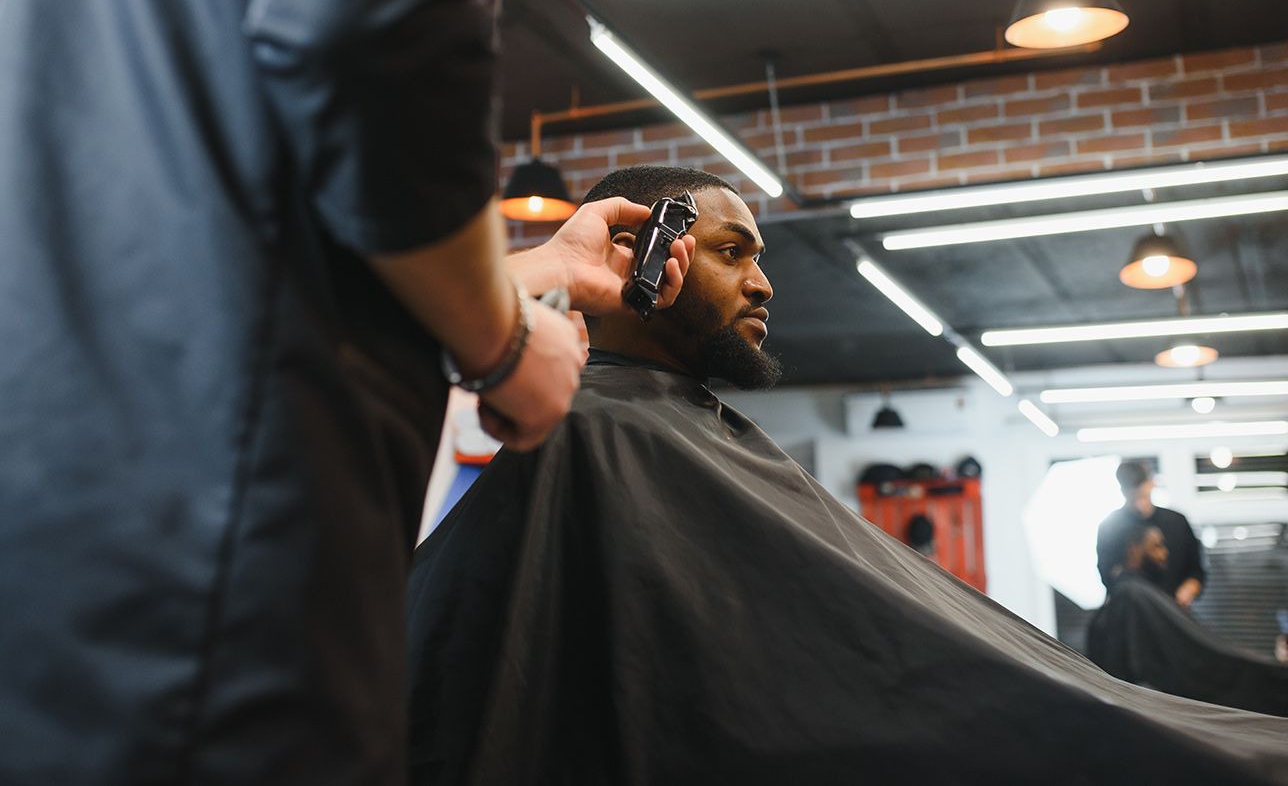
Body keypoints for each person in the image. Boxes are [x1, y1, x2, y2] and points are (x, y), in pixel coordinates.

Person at [0, 0, 691, 785]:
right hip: (231, 552)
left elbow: (219, 210)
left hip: (72, 519)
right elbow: (359, 41)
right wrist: (505, 343)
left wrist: (541, 272)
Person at [405, 166, 1288, 786]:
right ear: (644, 254)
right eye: (733, 251)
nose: (765, 285)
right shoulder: (598, 443)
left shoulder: (657, 435)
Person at [1088, 520, 1288, 716]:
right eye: (1157, 546)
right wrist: (1272, 673)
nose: (1165, 553)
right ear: (1133, 550)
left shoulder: (1137, 596)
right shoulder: (1131, 598)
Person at [1097, 461, 1206, 607]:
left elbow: (1196, 570)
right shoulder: (1109, 528)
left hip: (1173, 609)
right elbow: (1107, 577)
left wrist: (1188, 590)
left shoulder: (1176, 522)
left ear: (1152, 484)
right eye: (1133, 498)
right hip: (1131, 612)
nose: (1139, 505)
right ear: (1123, 492)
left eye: (1142, 496)